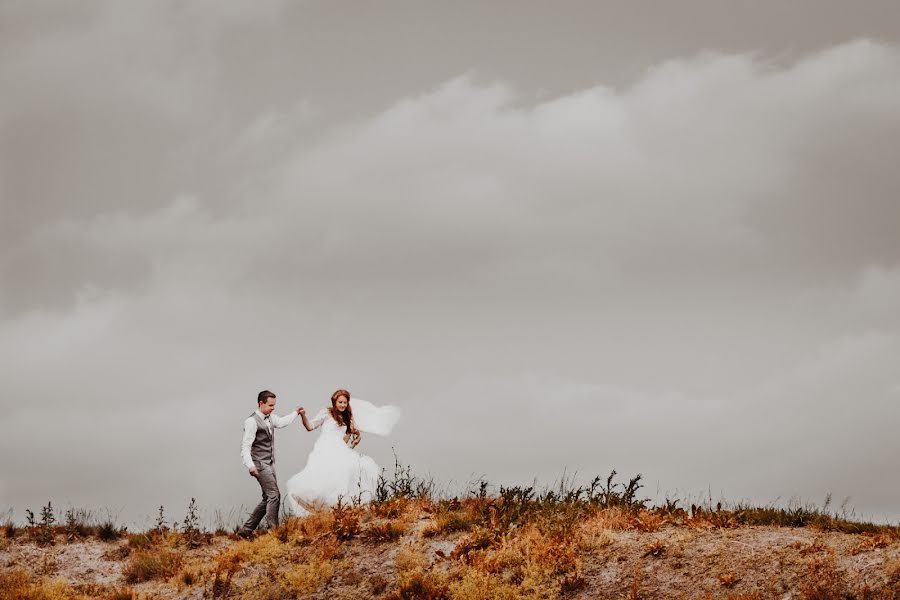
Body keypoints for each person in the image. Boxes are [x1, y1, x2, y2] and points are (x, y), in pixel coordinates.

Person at [285, 389, 400, 516]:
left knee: (350, 473)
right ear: (334, 402)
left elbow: (344, 441)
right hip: (324, 447)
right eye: (340, 402)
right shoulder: (327, 413)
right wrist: (303, 415)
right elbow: (310, 427)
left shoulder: (348, 419)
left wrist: (353, 439)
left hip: (339, 449)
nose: (343, 405)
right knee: (321, 478)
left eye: (345, 402)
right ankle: (324, 506)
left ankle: (340, 510)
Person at [238, 390, 303, 537]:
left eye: (274, 405)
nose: (273, 408)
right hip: (259, 464)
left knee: (268, 497)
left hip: (269, 463)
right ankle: (274, 531)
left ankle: (246, 530)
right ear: (261, 403)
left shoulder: (270, 417)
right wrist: (250, 465)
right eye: (270, 405)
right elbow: (245, 447)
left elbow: (281, 422)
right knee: (274, 495)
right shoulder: (251, 421)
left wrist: (295, 413)